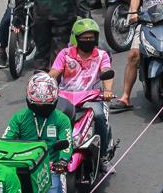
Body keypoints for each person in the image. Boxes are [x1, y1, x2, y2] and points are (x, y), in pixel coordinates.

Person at [3, 73, 77, 193]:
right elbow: (6, 142)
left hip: (50, 171)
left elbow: (66, 145)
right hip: (22, 172)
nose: (42, 109)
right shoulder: (18, 118)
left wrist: (62, 161)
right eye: (38, 106)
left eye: (46, 106)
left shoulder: (61, 119)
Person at [49, 19, 114, 171]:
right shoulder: (65, 55)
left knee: (98, 116)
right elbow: (54, 73)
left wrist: (108, 91)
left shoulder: (102, 55)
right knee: (52, 119)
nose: (88, 41)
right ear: (75, 39)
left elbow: (106, 73)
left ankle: (103, 156)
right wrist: (44, 82)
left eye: (91, 38)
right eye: (84, 38)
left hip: (91, 97)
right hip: (65, 98)